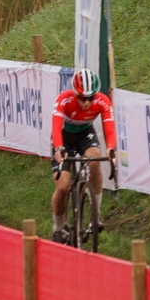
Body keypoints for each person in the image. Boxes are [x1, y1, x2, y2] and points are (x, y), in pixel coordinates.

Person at [49, 68, 116, 243]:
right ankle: (58, 228)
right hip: (63, 139)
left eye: (90, 97)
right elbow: (56, 129)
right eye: (82, 97)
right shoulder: (64, 99)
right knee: (63, 187)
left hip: (85, 135)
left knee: (95, 158)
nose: (87, 102)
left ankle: (96, 216)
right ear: (75, 93)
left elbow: (109, 127)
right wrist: (58, 149)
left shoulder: (102, 101)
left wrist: (111, 148)